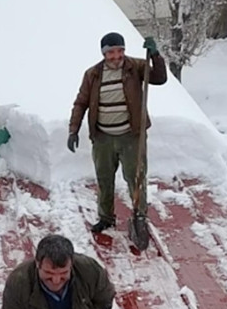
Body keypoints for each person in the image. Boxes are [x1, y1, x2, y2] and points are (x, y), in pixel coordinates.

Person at [68, 32, 167, 233]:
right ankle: (106, 217)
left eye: (120, 50)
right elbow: (81, 103)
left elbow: (159, 78)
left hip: (131, 136)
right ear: (104, 53)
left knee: (136, 177)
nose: (116, 56)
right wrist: (73, 130)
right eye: (111, 52)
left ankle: (140, 216)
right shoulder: (93, 74)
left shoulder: (136, 67)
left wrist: (155, 56)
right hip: (103, 137)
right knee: (104, 179)